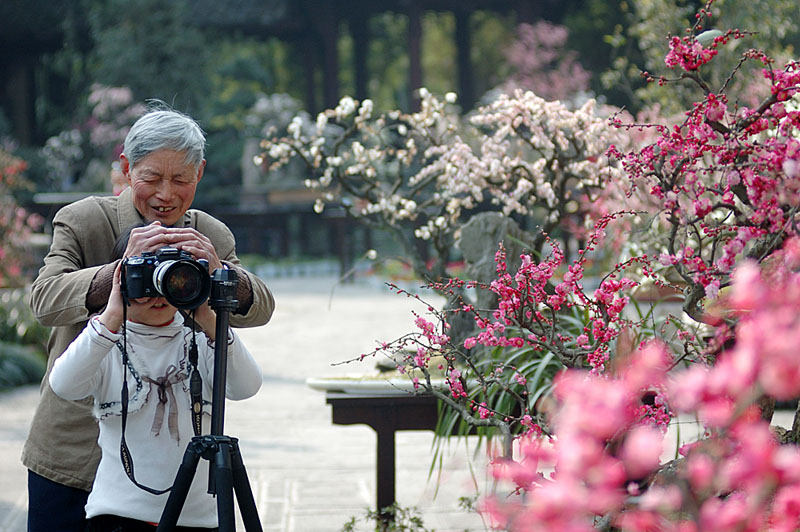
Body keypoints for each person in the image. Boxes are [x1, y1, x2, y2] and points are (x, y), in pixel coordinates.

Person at [23, 105, 275, 532]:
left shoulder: (208, 233)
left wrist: (219, 275)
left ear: (200, 174)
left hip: (168, 466)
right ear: (126, 167)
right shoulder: (85, 220)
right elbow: (43, 299)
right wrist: (119, 275)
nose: (166, 195)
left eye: (181, 179)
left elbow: (261, 307)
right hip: (72, 448)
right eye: (152, 178)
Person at [48, 224, 262, 531]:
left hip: (198, 518)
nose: (161, 290)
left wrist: (208, 315)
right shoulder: (104, 345)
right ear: (121, 278)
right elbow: (63, 385)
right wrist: (111, 314)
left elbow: (247, 386)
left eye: (176, 274)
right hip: (119, 515)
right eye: (147, 275)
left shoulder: (200, 343)